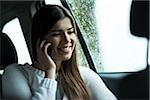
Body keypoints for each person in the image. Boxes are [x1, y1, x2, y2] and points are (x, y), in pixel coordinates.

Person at [2, 5, 117, 100]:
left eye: (70, 32)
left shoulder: (84, 74)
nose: (67, 40)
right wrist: (50, 73)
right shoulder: (15, 73)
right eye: (57, 34)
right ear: (41, 40)